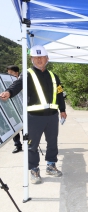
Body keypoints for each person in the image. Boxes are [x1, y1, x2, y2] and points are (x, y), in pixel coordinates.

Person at [0, 45, 67, 184]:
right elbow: (18, 85)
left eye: (42, 57)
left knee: (52, 142)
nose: (39, 60)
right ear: (31, 59)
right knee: (32, 145)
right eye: (36, 57)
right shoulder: (28, 73)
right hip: (34, 117)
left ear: (47, 58)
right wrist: (8, 92)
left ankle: (50, 165)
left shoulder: (54, 76)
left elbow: (60, 94)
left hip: (52, 116)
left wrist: (63, 110)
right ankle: (34, 169)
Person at [6, 65, 23, 153]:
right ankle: (18, 145)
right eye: (8, 73)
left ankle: (28, 144)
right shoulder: (7, 82)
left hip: (23, 109)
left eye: (11, 73)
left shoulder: (22, 81)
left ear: (16, 73)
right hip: (12, 109)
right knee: (14, 127)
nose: (9, 75)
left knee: (25, 128)